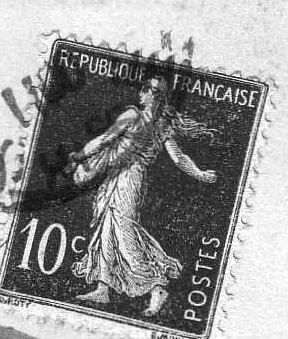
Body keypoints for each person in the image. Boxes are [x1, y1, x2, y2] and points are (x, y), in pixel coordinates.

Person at [67, 76, 221, 317]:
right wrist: (199, 174)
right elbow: (178, 158)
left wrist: (80, 155)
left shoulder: (139, 118)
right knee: (108, 228)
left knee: (125, 233)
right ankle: (103, 287)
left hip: (129, 179)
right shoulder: (156, 124)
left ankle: (157, 285)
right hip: (121, 177)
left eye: (146, 89)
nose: (142, 93)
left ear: (154, 94)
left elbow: (105, 139)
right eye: (143, 88)